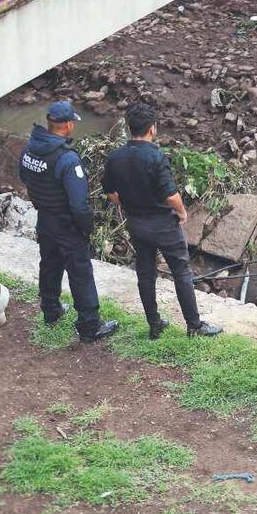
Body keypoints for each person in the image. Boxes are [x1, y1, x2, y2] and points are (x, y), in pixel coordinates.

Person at [102, 103, 222, 340]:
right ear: (152, 129)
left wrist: (129, 203)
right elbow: (171, 196)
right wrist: (182, 213)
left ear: (128, 128)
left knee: (145, 274)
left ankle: (154, 324)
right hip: (163, 226)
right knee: (181, 273)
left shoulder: (115, 157)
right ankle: (194, 326)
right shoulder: (155, 157)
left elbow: (111, 194)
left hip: (137, 223)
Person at [18, 101, 118, 343]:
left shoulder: (30, 148)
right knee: (80, 272)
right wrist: (86, 228)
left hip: (45, 220)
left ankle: (51, 311)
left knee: (50, 264)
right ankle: (89, 326)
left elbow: (24, 178)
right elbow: (79, 204)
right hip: (66, 225)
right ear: (68, 125)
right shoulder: (67, 159)